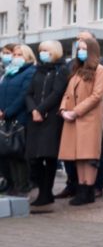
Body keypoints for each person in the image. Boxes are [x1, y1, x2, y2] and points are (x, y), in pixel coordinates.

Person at [58, 37, 103, 206]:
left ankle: (89, 190)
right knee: (78, 156)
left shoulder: (100, 70)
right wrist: (64, 110)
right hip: (73, 119)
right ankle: (81, 188)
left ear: (92, 50)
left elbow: (97, 95)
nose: (80, 52)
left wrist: (75, 112)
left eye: (84, 48)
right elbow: (67, 93)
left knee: (90, 156)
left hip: (89, 119)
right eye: (79, 49)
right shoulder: (76, 71)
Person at [25, 41, 69, 207]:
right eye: (41, 50)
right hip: (35, 118)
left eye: (46, 50)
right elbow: (29, 93)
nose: (42, 53)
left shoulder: (61, 70)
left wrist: (41, 110)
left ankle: (46, 193)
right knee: (34, 158)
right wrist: (33, 110)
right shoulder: (38, 70)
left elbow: (56, 93)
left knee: (48, 157)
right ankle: (42, 190)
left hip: (50, 119)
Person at [0, 44, 38, 195]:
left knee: (18, 153)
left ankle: (22, 185)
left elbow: (23, 95)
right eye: (14, 54)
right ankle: (11, 183)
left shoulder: (29, 72)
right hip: (5, 118)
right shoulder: (10, 73)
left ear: (27, 56)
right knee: (6, 152)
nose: (15, 57)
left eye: (19, 54)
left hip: (19, 119)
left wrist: (7, 112)